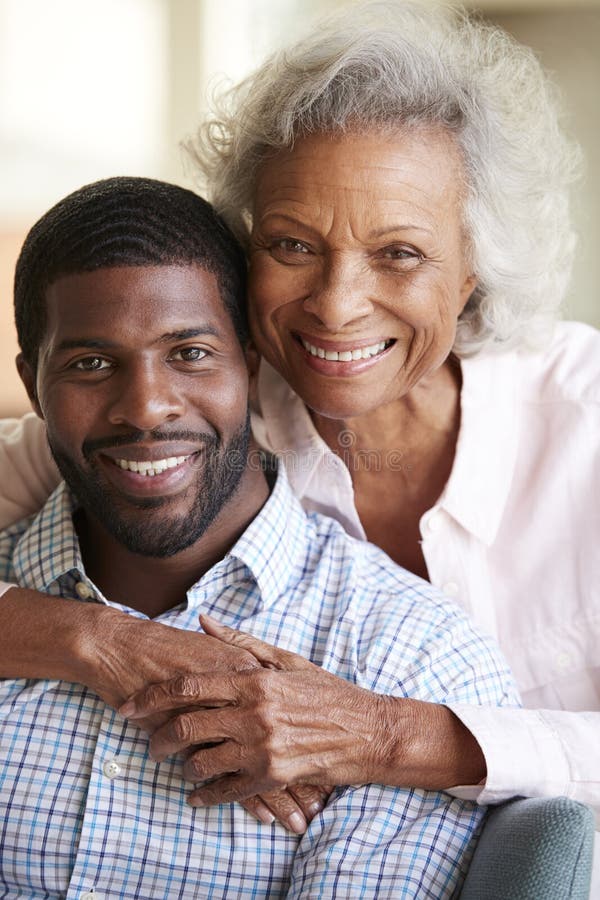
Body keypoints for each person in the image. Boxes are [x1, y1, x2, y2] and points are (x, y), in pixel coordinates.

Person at [0, 0, 597, 866]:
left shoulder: (586, 420)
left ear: (476, 266)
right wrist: (115, 642)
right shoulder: (187, 424)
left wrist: (384, 735)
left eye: (399, 253)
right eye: (292, 244)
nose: (336, 303)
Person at [0, 175, 518, 898]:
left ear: (251, 359)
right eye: (90, 364)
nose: (146, 409)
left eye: (189, 353)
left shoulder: (406, 660)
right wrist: (96, 640)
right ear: (34, 385)